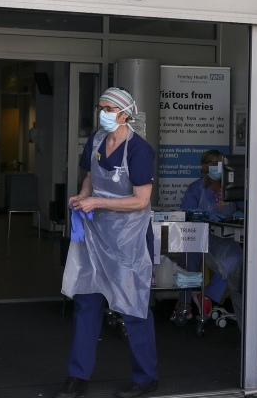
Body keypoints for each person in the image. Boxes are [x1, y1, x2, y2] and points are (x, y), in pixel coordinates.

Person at [57, 88, 158, 398]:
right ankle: (78, 376)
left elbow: (141, 201)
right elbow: (91, 175)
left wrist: (97, 202)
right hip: (96, 233)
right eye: (100, 107)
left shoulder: (139, 150)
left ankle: (146, 377)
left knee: (134, 306)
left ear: (124, 114)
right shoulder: (97, 141)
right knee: (86, 302)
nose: (101, 113)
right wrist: (84, 195)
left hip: (129, 238)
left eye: (108, 109)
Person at [179, 150, 243, 325]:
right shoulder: (196, 188)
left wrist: (240, 212)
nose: (219, 168)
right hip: (199, 236)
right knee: (187, 261)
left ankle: (206, 296)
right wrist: (205, 215)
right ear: (205, 167)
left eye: (222, 163)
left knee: (237, 261)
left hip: (222, 240)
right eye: (215, 164)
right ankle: (184, 305)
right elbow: (185, 211)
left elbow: (243, 206)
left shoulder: (230, 188)